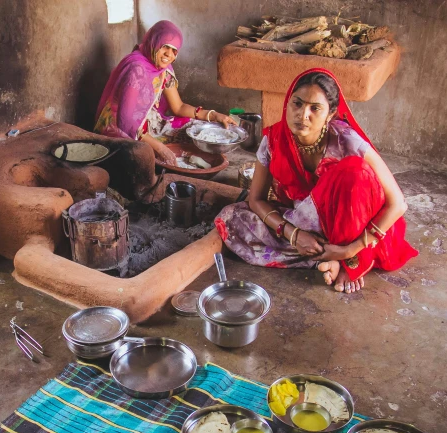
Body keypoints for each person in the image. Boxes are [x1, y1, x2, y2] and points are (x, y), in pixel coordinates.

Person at [214, 68, 417, 293]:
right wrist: (294, 234)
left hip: (349, 224)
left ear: (330, 115)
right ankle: (322, 255)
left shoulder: (347, 141)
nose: (303, 115)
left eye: (315, 108)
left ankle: (346, 260)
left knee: (355, 171)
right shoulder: (274, 140)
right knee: (231, 217)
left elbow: (398, 203)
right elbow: (256, 200)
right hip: (304, 220)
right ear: (287, 102)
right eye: (297, 103)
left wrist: (350, 249)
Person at [94, 20, 234, 165]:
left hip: (145, 123)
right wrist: (159, 147)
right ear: (154, 43)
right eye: (165, 47)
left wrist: (213, 115)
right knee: (144, 156)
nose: (169, 54)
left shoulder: (163, 69)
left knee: (194, 129)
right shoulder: (136, 70)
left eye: (174, 50)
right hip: (119, 129)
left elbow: (178, 107)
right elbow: (126, 123)